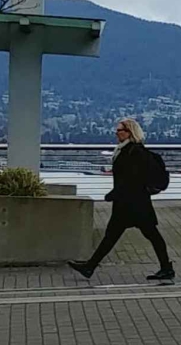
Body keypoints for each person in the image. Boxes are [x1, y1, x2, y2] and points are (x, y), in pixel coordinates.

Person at [68, 118, 175, 281]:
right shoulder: (127, 150)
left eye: (120, 130)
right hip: (132, 202)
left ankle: (90, 266)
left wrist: (113, 193)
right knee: (126, 235)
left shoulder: (133, 152)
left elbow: (131, 178)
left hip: (132, 203)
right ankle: (90, 266)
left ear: (129, 132)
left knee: (144, 235)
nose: (116, 133)